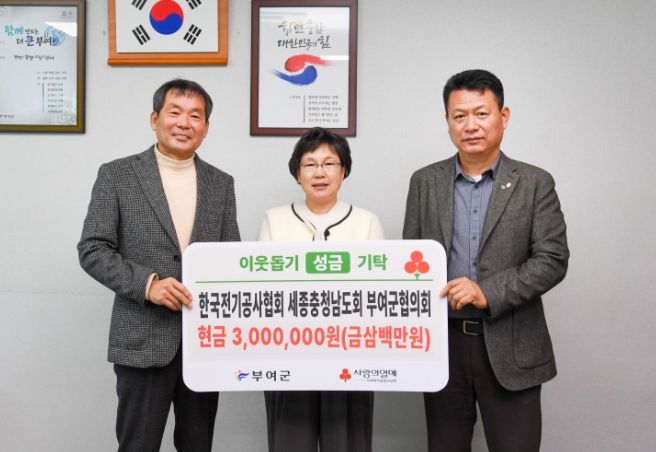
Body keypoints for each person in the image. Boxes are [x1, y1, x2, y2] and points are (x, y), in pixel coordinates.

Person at [403, 69, 569, 452]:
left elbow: (552, 259)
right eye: (459, 116)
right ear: (447, 121)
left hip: (512, 343)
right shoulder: (424, 182)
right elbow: (411, 259)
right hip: (441, 347)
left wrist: (486, 292)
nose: (471, 125)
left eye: (481, 113)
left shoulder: (534, 182)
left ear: (503, 116)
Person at [77, 79, 240, 452]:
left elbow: (230, 257)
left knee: (198, 445)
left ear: (206, 128)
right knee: (138, 445)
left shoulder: (221, 183)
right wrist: (147, 285)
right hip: (142, 339)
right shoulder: (117, 175)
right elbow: (92, 248)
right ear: (155, 119)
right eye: (175, 112)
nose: (184, 123)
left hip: (204, 344)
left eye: (195, 116)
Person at [259, 127, 384, 452]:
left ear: (344, 171)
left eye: (329, 163)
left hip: (350, 356)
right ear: (297, 173)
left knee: (348, 444)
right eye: (310, 164)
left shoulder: (367, 222)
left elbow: (377, 296)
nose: (319, 173)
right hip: (287, 355)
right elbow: (262, 294)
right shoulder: (274, 219)